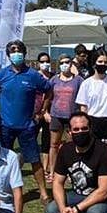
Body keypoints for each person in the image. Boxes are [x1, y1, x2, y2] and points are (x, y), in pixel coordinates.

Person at [0, 39, 50, 196]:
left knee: (35, 160)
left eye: (19, 50)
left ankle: (43, 192)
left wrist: (41, 112)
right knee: (2, 160)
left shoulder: (33, 75)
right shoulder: (1, 74)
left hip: (27, 126)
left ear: (25, 53)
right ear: (8, 55)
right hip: (5, 125)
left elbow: (48, 91)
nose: (16, 53)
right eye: (13, 51)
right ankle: (1, 189)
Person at [43, 53, 84, 186]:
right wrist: (46, 112)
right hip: (56, 116)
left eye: (67, 62)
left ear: (71, 64)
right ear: (58, 64)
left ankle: (73, 171)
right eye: (62, 62)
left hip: (72, 117)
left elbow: (83, 98)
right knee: (53, 145)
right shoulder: (54, 80)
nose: (64, 65)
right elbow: (48, 97)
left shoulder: (78, 80)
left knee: (73, 146)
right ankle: (52, 171)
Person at [77, 53, 107, 151]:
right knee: (93, 150)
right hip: (93, 120)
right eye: (100, 62)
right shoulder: (86, 83)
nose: (103, 64)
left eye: (105, 62)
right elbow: (83, 107)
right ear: (94, 64)